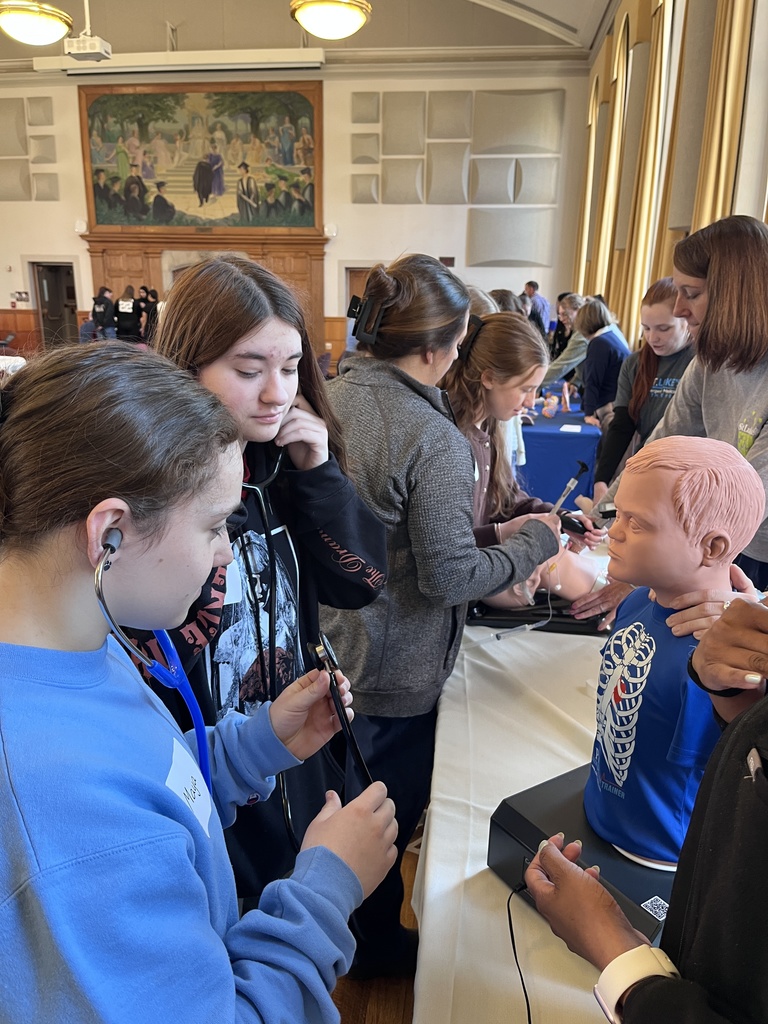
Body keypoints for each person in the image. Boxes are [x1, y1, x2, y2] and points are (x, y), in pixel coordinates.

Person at [0, 342, 398, 1023]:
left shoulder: (82, 641)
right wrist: (325, 892)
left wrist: (254, 746)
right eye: (215, 525)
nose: (225, 553)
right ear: (110, 535)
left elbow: (143, 781)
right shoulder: (66, 810)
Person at [322, 254, 562, 979]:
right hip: (395, 663)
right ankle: (375, 947)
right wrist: (535, 545)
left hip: (336, 645)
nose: (459, 356)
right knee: (385, 817)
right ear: (434, 349)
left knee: (346, 804)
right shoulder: (430, 435)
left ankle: (340, 924)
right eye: (458, 343)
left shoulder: (334, 395)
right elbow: (449, 575)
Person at [151, 255, 389, 908]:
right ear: (188, 369)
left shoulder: (288, 468)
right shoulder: (157, 496)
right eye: (249, 370)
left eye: (290, 369)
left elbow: (361, 583)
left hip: (296, 749)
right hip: (211, 776)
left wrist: (320, 476)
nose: (277, 393)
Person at [526, 593, 768, 1024]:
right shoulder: (638, 602)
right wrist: (740, 701)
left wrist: (621, 958)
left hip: (664, 860)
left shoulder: (688, 650)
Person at [577, 214, 768, 630]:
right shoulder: (709, 362)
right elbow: (662, 444)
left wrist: (647, 563)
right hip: (714, 547)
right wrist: (607, 512)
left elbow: (740, 501)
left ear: (736, 295)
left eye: (692, 294)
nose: (681, 308)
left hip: (745, 552)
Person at [582, 436, 765, 866]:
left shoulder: (715, 663)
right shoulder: (636, 602)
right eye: (618, 514)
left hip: (660, 845)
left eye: (637, 523)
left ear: (712, 547)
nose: (614, 532)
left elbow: (718, 773)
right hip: (603, 809)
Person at [440, 311, 607, 606]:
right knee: (553, 561)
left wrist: (560, 518)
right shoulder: (448, 442)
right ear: (489, 378)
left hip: (482, 567)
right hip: (468, 579)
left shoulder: (487, 426)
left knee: (557, 556)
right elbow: (443, 553)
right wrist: (501, 533)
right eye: (525, 389)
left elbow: (506, 500)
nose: (530, 402)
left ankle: (607, 593)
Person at [592, 277, 694, 502]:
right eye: (646, 328)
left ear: (686, 321)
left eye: (664, 329)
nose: (652, 337)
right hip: (647, 468)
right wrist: (601, 479)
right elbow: (622, 425)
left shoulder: (701, 363)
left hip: (689, 476)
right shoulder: (634, 364)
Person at [574, 298, 630, 430]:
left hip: (609, 406)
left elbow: (593, 380)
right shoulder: (612, 336)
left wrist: (588, 414)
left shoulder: (598, 343)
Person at [541, 293, 588, 387]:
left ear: (578, 310)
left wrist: (534, 384)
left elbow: (563, 365)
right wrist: (576, 382)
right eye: (560, 315)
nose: (562, 319)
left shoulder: (582, 334)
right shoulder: (581, 329)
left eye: (565, 314)